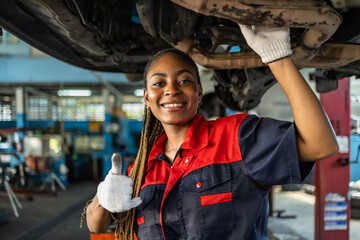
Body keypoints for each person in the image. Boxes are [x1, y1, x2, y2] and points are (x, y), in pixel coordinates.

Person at [84, 24, 339, 240]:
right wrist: (104, 198)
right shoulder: (140, 170)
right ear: (147, 98)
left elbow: (321, 144)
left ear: (198, 93)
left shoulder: (236, 138)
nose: (171, 90)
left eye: (184, 81)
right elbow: (97, 226)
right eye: (159, 83)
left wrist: (279, 58)